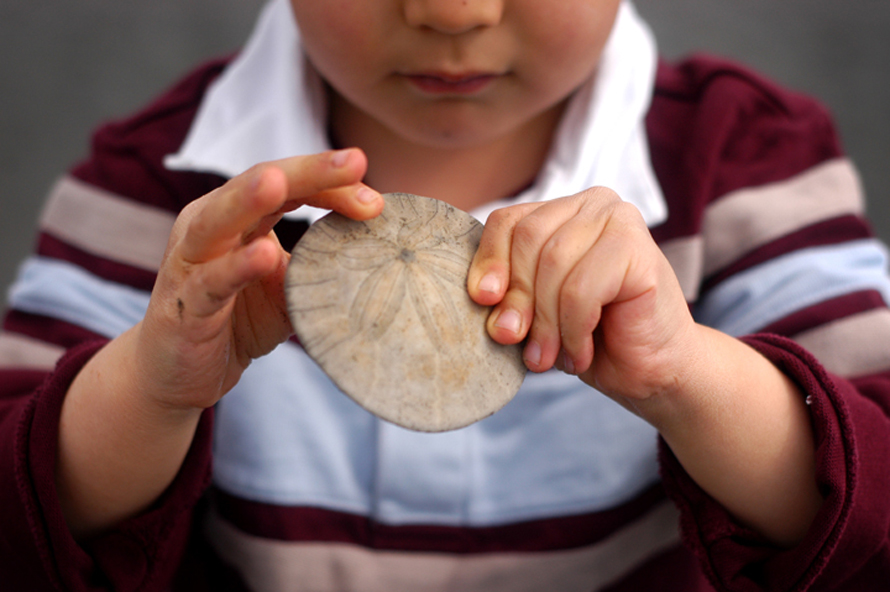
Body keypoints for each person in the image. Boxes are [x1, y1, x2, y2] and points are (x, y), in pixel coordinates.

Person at [1, 0, 888, 589]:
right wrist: (151, 389)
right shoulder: (163, 191)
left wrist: (688, 377)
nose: (453, 11)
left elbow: (874, 517)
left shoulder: (745, 163)